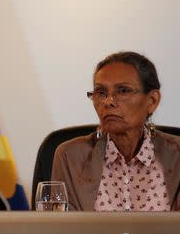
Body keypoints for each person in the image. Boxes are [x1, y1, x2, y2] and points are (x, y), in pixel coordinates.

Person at [52, 52, 180, 211]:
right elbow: (61, 230)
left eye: (123, 91)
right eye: (100, 92)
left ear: (152, 101)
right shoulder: (70, 157)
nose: (108, 102)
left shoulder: (177, 154)